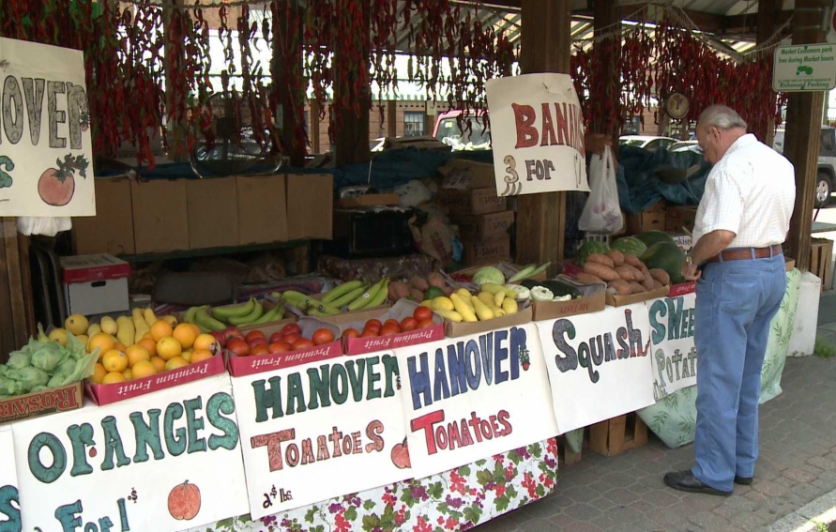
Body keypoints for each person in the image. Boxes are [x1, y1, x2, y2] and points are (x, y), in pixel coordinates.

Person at [663, 105, 795, 496]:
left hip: (734, 277)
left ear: (715, 132)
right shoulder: (778, 162)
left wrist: (691, 260)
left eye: (703, 142)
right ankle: (742, 463)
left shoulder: (730, 168)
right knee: (748, 375)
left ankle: (713, 472)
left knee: (720, 377)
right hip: (771, 270)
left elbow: (721, 233)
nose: (704, 153)